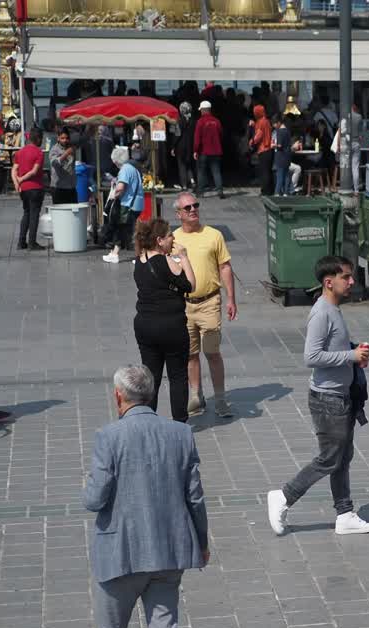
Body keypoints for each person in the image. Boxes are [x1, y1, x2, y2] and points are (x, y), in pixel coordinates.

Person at [75, 364, 209, 628]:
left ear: (118, 396)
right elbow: (195, 497)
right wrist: (202, 542)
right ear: (150, 395)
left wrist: (88, 482)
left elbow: (94, 500)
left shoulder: (109, 436)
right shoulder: (181, 433)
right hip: (168, 553)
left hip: (120, 555)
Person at [267, 256, 369, 537]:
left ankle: (344, 514)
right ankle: (284, 496)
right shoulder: (322, 313)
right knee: (330, 458)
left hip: (341, 396)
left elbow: (332, 349)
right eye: (346, 277)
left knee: (342, 456)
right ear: (329, 282)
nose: (352, 282)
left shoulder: (333, 309)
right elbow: (311, 356)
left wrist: (355, 354)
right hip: (328, 400)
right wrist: (350, 355)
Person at [172, 192, 237, 418]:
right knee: (190, 354)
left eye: (195, 205)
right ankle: (195, 396)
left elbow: (225, 267)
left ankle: (220, 399)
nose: (193, 210)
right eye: (187, 207)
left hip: (210, 301)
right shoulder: (173, 239)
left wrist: (231, 298)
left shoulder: (213, 235)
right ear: (178, 213)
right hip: (185, 306)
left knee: (212, 352)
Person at [133, 219, 196, 423]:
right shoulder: (166, 261)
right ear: (159, 240)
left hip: (145, 325)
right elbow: (190, 285)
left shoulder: (140, 259)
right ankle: (180, 422)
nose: (173, 238)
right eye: (170, 235)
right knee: (178, 375)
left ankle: (148, 420)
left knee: (152, 377)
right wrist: (184, 258)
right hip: (171, 326)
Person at [101, 146, 145, 264]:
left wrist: (113, 196)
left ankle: (139, 256)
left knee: (125, 230)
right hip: (136, 203)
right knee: (126, 229)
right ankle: (116, 253)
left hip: (128, 204)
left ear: (115, 161)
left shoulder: (124, 169)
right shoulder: (133, 168)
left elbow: (121, 188)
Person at [12, 127, 45, 251]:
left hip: (24, 190)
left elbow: (14, 169)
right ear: (37, 139)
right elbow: (34, 171)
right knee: (34, 215)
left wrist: (17, 182)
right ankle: (32, 243)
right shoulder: (39, 152)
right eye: (41, 138)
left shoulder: (20, 152)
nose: (41, 141)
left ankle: (21, 242)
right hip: (35, 187)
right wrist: (21, 179)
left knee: (26, 213)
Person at [193, 100, 224, 199]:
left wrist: (195, 150)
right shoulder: (217, 121)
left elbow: (197, 138)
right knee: (216, 171)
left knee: (201, 171)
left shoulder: (200, 122)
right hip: (216, 151)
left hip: (204, 151)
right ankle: (220, 191)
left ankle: (200, 192)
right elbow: (221, 134)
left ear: (202, 110)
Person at [49, 127, 77, 205]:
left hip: (71, 187)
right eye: (62, 138)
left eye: (67, 138)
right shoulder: (54, 149)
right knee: (60, 214)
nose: (65, 140)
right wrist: (66, 154)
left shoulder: (71, 147)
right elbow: (54, 163)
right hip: (59, 188)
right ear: (58, 138)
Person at [173, 101, 195, 190]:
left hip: (181, 146)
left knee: (182, 165)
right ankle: (193, 181)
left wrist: (173, 146)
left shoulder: (179, 121)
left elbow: (177, 135)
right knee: (189, 164)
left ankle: (184, 185)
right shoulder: (193, 121)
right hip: (191, 145)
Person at [271, 114, 293, 196]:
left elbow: (279, 145)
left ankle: (277, 192)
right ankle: (286, 192)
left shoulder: (279, 132)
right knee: (286, 174)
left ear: (279, 122)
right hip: (287, 155)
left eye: (274, 124)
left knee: (279, 175)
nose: (274, 126)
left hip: (280, 156)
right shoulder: (287, 130)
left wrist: (273, 145)